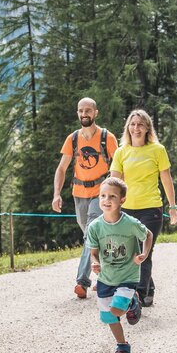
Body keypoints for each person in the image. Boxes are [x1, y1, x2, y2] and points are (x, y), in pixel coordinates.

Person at [110, 109, 177, 307]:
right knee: (132, 252)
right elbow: (114, 181)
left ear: (148, 127)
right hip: (127, 210)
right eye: (133, 124)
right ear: (128, 127)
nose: (136, 128)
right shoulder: (121, 152)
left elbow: (166, 180)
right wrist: (110, 206)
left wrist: (172, 206)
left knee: (144, 251)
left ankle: (137, 296)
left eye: (140, 124)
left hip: (151, 208)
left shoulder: (158, 150)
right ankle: (149, 289)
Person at [52, 97, 118, 298]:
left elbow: (118, 168)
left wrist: (115, 195)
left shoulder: (108, 138)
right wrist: (56, 194)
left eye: (88, 110)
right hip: (78, 194)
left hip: (102, 194)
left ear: (96, 113)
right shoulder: (73, 139)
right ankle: (107, 274)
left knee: (91, 234)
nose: (84, 114)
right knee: (94, 237)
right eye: (81, 111)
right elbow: (62, 168)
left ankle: (82, 281)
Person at [87, 177, 153, 353]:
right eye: (103, 196)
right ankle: (122, 347)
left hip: (127, 276)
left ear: (122, 200)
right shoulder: (95, 227)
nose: (106, 200)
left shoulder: (130, 223)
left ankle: (133, 302)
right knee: (108, 316)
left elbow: (147, 234)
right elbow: (93, 253)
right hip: (106, 278)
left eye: (112, 196)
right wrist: (95, 263)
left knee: (116, 309)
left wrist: (144, 254)